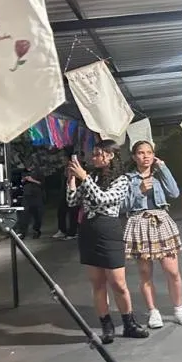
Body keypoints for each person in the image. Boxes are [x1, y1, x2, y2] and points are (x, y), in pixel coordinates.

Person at [67, 141, 148, 344]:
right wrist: (72, 180)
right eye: (92, 154)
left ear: (110, 155)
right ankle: (106, 326)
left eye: (97, 154)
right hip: (88, 231)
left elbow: (103, 199)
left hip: (108, 230)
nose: (93, 158)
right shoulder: (91, 177)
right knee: (97, 283)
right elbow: (72, 201)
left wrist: (84, 178)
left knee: (118, 283)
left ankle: (129, 323)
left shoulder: (122, 180)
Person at [123, 140, 182, 329]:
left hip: (161, 221)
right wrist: (140, 192)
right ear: (134, 156)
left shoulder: (159, 174)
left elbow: (174, 192)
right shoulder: (128, 179)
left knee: (172, 270)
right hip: (139, 223)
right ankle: (153, 311)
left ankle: (179, 308)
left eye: (149, 152)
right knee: (145, 273)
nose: (145, 156)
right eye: (141, 152)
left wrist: (163, 168)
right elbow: (123, 206)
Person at [16, 165, 45, 239]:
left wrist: (32, 180)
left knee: (37, 214)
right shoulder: (24, 172)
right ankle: (22, 232)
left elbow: (41, 183)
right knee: (24, 214)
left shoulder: (39, 171)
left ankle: (36, 230)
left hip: (36, 195)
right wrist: (23, 180)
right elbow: (21, 182)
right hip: (26, 195)